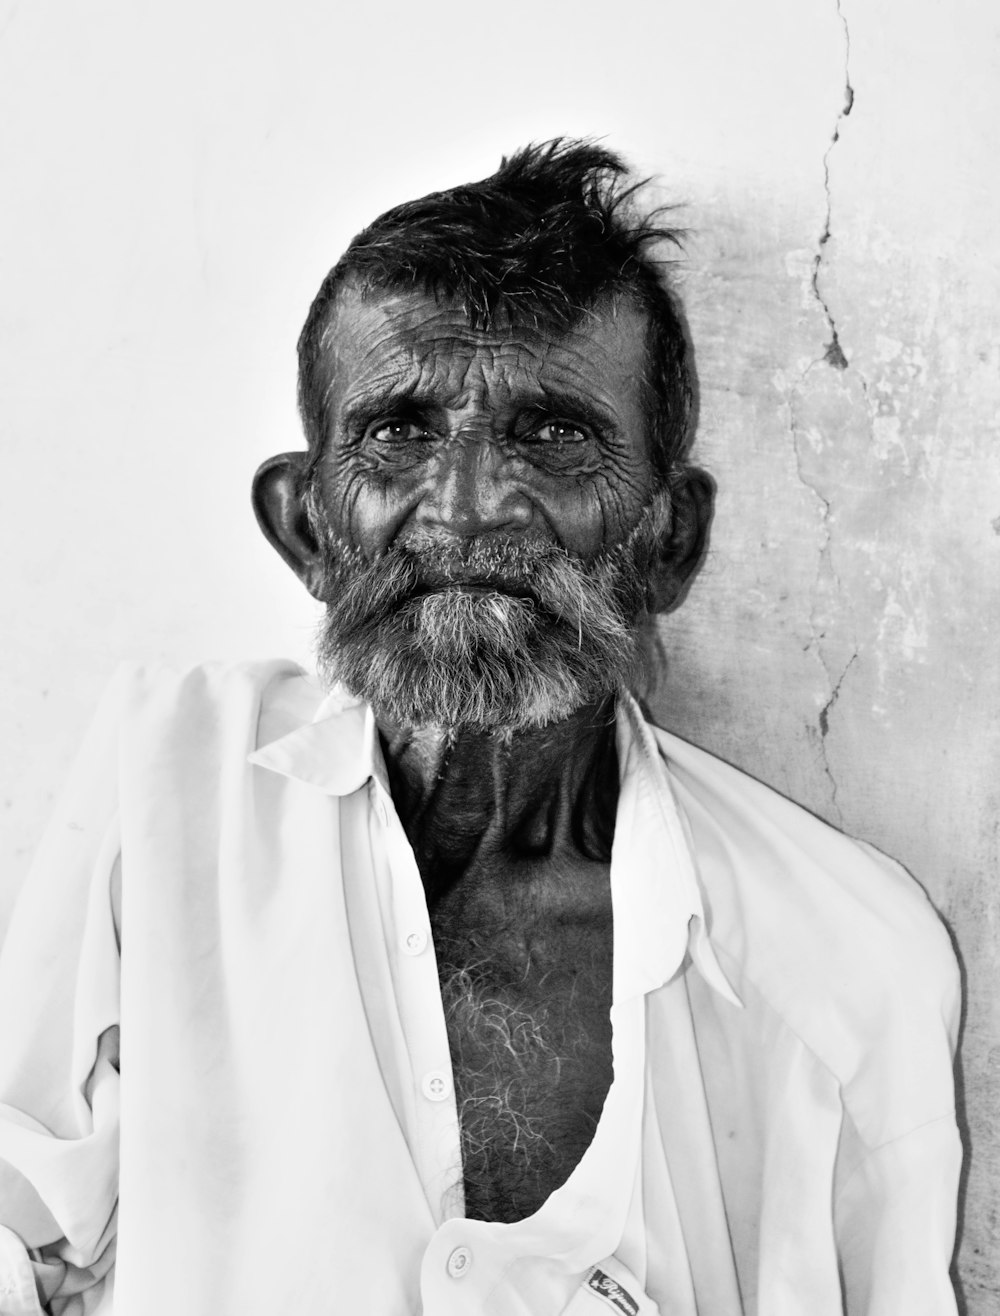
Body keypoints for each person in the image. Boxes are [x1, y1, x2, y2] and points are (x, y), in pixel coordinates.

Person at [0, 141, 961, 1315]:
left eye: (553, 435)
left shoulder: (844, 958)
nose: (464, 502)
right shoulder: (172, 779)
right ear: (305, 529)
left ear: (668, 541)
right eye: (399, 432)